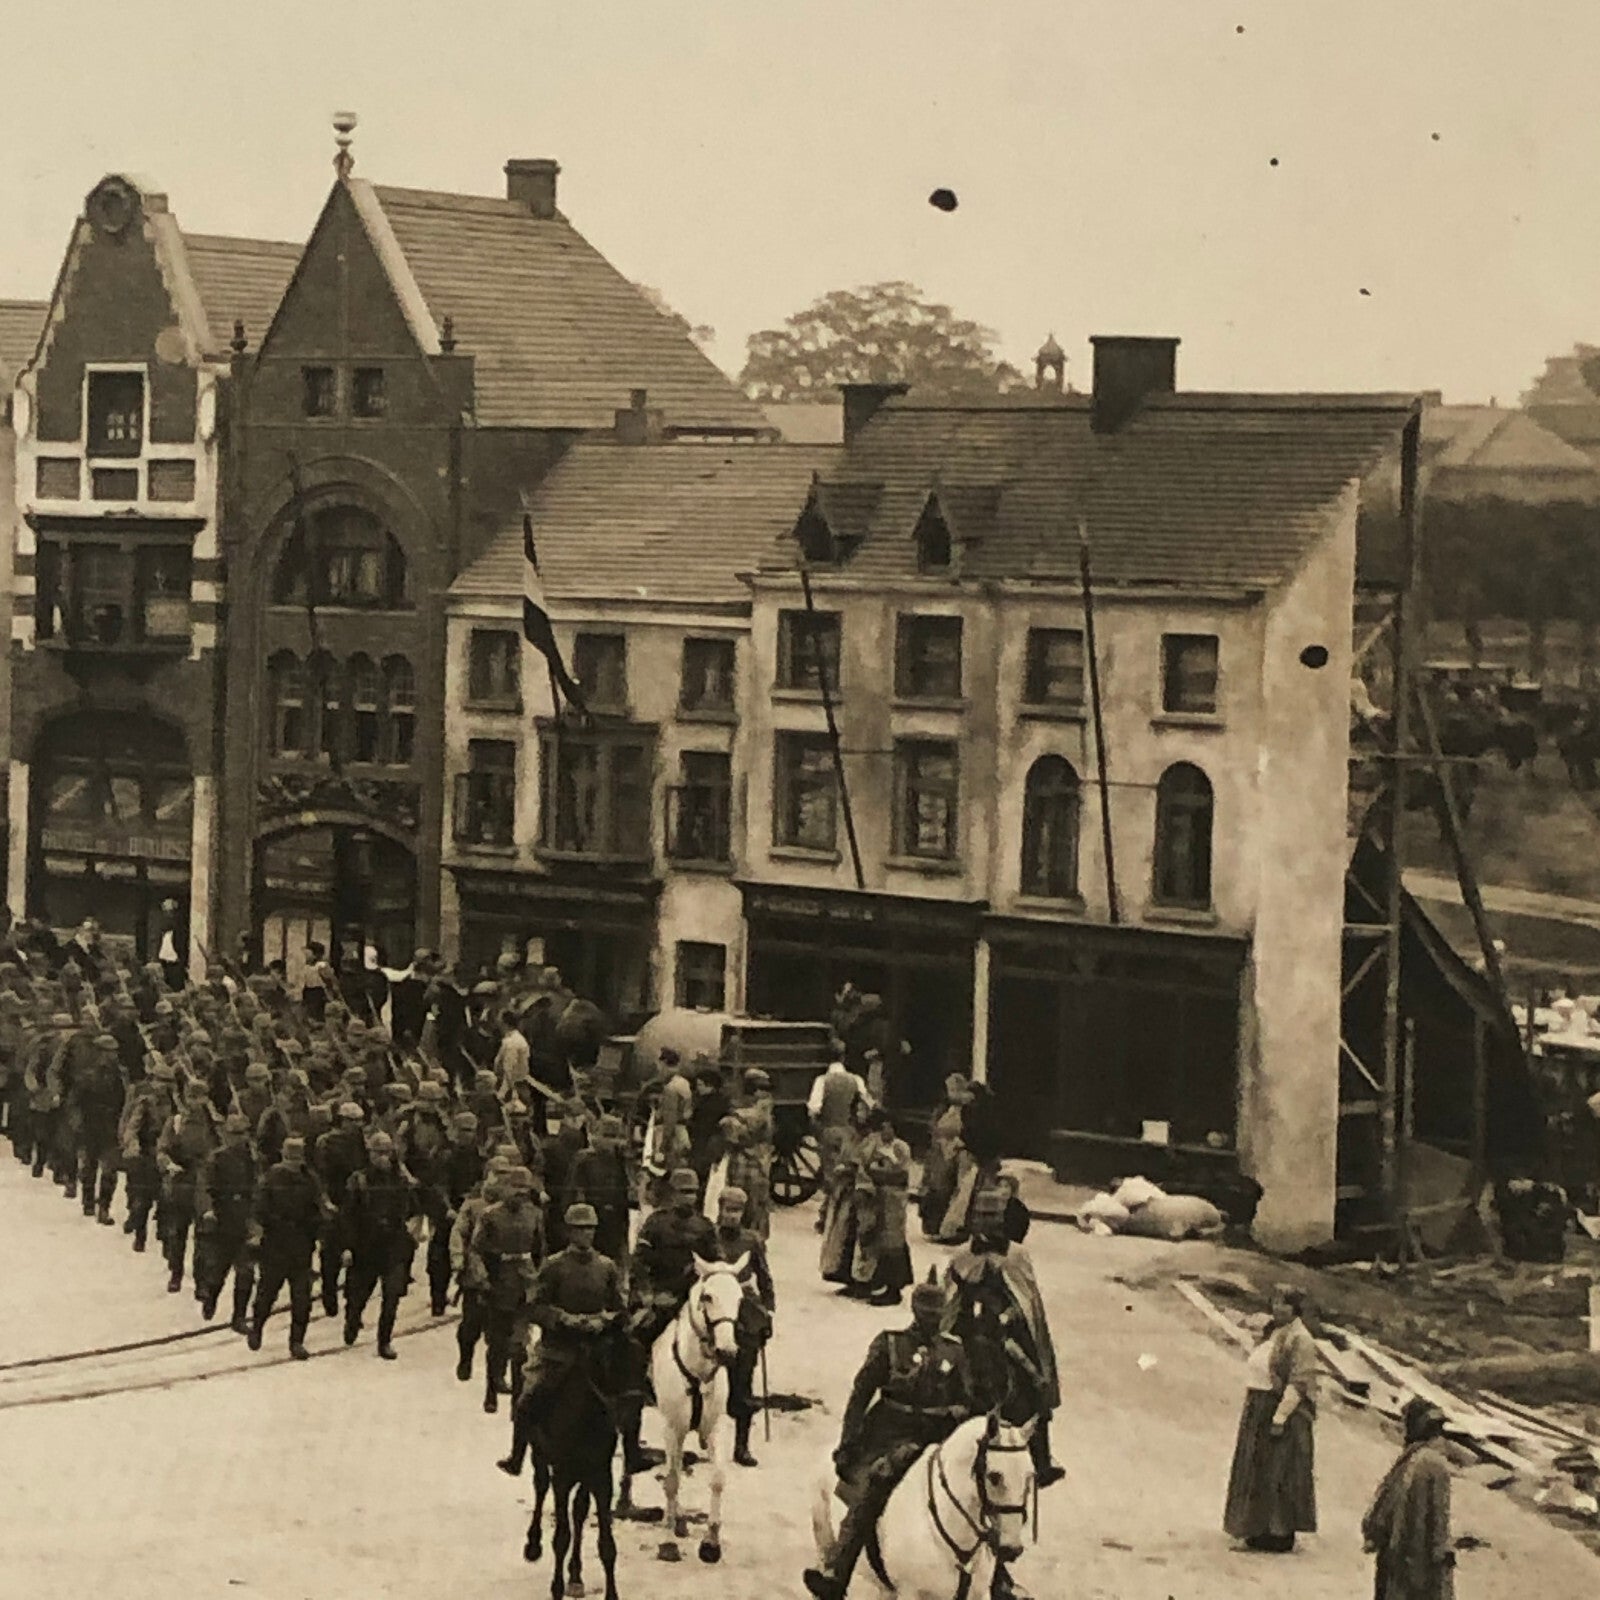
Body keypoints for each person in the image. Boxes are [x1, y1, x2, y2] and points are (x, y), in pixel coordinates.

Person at [802, 1270, 977, 1600]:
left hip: (937, 1437)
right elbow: (861, 1393)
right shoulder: (890, 1343)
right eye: (927, 1314)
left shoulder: (954, 1352)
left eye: (938, 1315)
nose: (932, 1321)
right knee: (874, 1484)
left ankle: (998, 1578)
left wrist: (958, 1412)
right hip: (889, 1433)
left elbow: (967, 1399)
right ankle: (837, 1571)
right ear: (914, 1310)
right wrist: (848, 1441)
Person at [943, 1186, 1065, 1488]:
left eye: (993, 1216)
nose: (988, 1222)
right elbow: (950, 1300)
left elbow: (1027, 1303)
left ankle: (1041, 1459)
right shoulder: (961, 1256)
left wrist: (1007, 1318)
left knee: (1034, 1379)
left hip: (1005, 1334)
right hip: (968, 1333)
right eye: (982, 1216)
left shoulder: (1017, 1255)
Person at [499, 1200, 627, 1477]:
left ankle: (632, 1455)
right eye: (580, 1229)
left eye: (590, 1229)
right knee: (527, 1399)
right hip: (558, 1350)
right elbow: (535, 1306)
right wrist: (563, 1318)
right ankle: (516, 1455)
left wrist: (603, 1320)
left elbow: (619, 1308)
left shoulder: (607, 1267)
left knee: (630, 1395)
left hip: (595, 1350)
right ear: (569, 1232)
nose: (586, 1235)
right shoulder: (553, 1266)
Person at [1223, 1286, 1320, 1553]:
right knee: (1257, 1471)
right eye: (1276, 1302)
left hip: (1279, 1410)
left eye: (1285, 1305)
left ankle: (1277, 1534)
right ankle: (1254, 1529)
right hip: (1258, 1406)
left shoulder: (1300, 1339)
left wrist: (1280, 1417)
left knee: (1278, 1473)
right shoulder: (1274, 1332)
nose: (1278, 1308)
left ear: (1295, 1309)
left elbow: (1299, 1383)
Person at [468, 1164, 545, 1413]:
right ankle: (491, 1390)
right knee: (497, 1343)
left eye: (523, 1189)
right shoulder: (490, 1215)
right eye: (515, 1187)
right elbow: (476, 1250)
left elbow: (540, 1249)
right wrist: (482, 1279)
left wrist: (539, 1280)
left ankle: (518, 1401)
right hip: (498, 1283)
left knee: (520, 1345)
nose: (519, 1194)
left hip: (526, 1283)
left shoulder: (534, 1215)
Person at [1363, 1398, 1457, 1600]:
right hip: (1420, 1559)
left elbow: (1382, 1508)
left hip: (1397, 1555)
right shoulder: (1435, 1464)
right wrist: (1442, 1555)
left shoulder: (1408, 1460)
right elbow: (1440, 1518)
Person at [248, 1135, 332, 1360]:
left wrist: (320, 1230)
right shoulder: (272, 1178)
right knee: (267, 1294)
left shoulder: (309, 1179)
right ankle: (257, 1328)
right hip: (276, 1244)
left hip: (301, 1245)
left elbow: (320, 1208)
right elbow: (259, 1209)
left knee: (301, 1299)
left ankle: (296, 1341)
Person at [711, 1185, 775, 1468]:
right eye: (728, 1210)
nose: (732, 1216)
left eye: (737, 1211)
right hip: (714, 1316)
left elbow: (764, 1277)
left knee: (743, 1381)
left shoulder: (752, 1241)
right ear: (720, 1209)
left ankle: (741, 1445)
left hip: (744, 1317)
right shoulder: (708, 1237)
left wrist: (766, 1313)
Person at [341, 1129, 418, 1360]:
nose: (383, 1157)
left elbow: (414, 1207)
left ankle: (384, 1341)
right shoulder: (359, 1180)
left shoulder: (401, 1179)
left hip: (393, 1245)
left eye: (387, 1152)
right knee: (358, 1295)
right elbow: (347, 1216)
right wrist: (346, 1246)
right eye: (378, 1153)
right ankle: (352, 1321)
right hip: (365, 1246)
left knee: (392, 1296)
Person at [156, 1075, 222, 1294]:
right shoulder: (175, 1122)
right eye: (192, 1097)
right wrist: (168, 1165)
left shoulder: (215, 1123)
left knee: (204, 1236)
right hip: (181, 1181)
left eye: (200, 1097)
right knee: (177, 1233)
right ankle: (175, 1274)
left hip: (206, 1183)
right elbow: (163, 1150)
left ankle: (201, 1281)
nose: (196, 1102)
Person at [193, 1111, 259, 1330]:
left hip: (245, 1219)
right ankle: (210, 1298)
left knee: (246, 1272)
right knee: (217, 1271)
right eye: (235, 1134)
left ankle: (239, 1317)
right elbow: (204, 1187)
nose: (240, 1138)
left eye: (243, 1133)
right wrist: (208, 1210)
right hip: (223, 1219)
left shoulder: (254, 1158)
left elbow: (261, 1187)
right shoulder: (217, 1158)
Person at [850, 1108, 914, 1306]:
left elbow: (902, 1174)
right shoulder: (872, 1145)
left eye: (887, 1128)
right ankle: (873, 1282)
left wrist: (877, 1173)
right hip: (878, 1199)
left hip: (894, 1199)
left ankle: (894, 1288)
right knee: (874, 1241)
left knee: (893, 1243)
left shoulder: (900, 1148)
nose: (884, 1132)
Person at [562, 1111, 632, 1265]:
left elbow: (629, 1190)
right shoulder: (584, 1159)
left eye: (615, 1136)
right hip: (591, 1218)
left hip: (615, 1220)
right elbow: (574, 1191)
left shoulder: (621, 1161)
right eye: (607, 1135)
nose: (611, 1141)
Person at [809, 1058, 869, 1217]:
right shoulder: (856, 1080)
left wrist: (816, 1126)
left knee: (830, 1172)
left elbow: (814, 1108)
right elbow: (866, 1103)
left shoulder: (822, 1081)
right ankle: (841, 1211)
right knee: (847, 1171)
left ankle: (829, 1214)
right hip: (849, 1131)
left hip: (830, 1130)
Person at [919, 1073, 973, 1238]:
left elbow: (970, 1130)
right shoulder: (943, 1108)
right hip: (939, 1151)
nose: (952, 1093)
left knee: (954, 1188)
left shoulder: (968, 1109)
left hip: (957, 1152)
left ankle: (951, 1227)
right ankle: (932, 1225)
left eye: (954, 1089)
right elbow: (933, 1126)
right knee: (935, 1187)